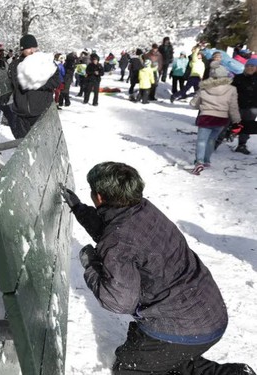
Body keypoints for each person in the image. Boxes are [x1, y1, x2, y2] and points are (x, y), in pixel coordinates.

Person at [60, 161, 256, 375]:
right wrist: (79, 210)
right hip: (210, 313)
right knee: (162, 360)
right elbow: (117, 234)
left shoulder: (118, 238)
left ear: (99, 197)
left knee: (130, 369)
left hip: (181, 328)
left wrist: (91, 265)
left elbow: (118, 302)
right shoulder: (143, 209)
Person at [188, 61, 241, 175]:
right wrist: (236, 119)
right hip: (221, 118)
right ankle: (207, 160)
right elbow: (233, 107)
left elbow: (193, 104)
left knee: (202, 141)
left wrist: (201, 106)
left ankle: (199, 162)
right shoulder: (231, 89)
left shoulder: (204, 88)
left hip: (206, 117)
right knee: (212, 140)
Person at [7, 34, 60, 139]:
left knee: (42, 145)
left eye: (34, 48)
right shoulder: (15, 64)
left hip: (41, 112)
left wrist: (38, 84)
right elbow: (17, 83)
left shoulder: (46, 63)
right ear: (22, 49)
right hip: (21, 113)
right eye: (28, 48)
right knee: (23, 146)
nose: (32, 51)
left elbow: (56, 81)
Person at [231, 58, 256, 155]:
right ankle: (216, 142)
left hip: (252, 107)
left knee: (247, 126)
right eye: (247, 66)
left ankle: (242, 145)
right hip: (237, 105)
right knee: (230, 124)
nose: (249, 68)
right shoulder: (238, 77)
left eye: (252, 66)